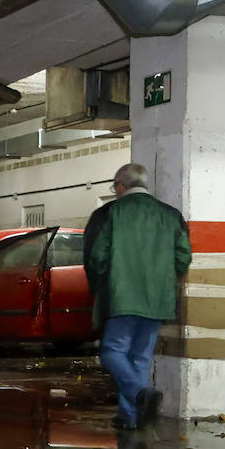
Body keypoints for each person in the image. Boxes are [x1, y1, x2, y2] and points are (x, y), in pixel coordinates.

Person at [83, 163, 191, 430]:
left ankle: (140, 393)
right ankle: (130, 416)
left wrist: (100, 283)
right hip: (158, 298)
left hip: (123, 296)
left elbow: (97, 257)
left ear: (121, 186)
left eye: (114, 187)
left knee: (112, 352)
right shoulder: (170, 215)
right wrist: (163, 279)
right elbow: (183, 257)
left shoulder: (112, 213)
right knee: (141, 356)